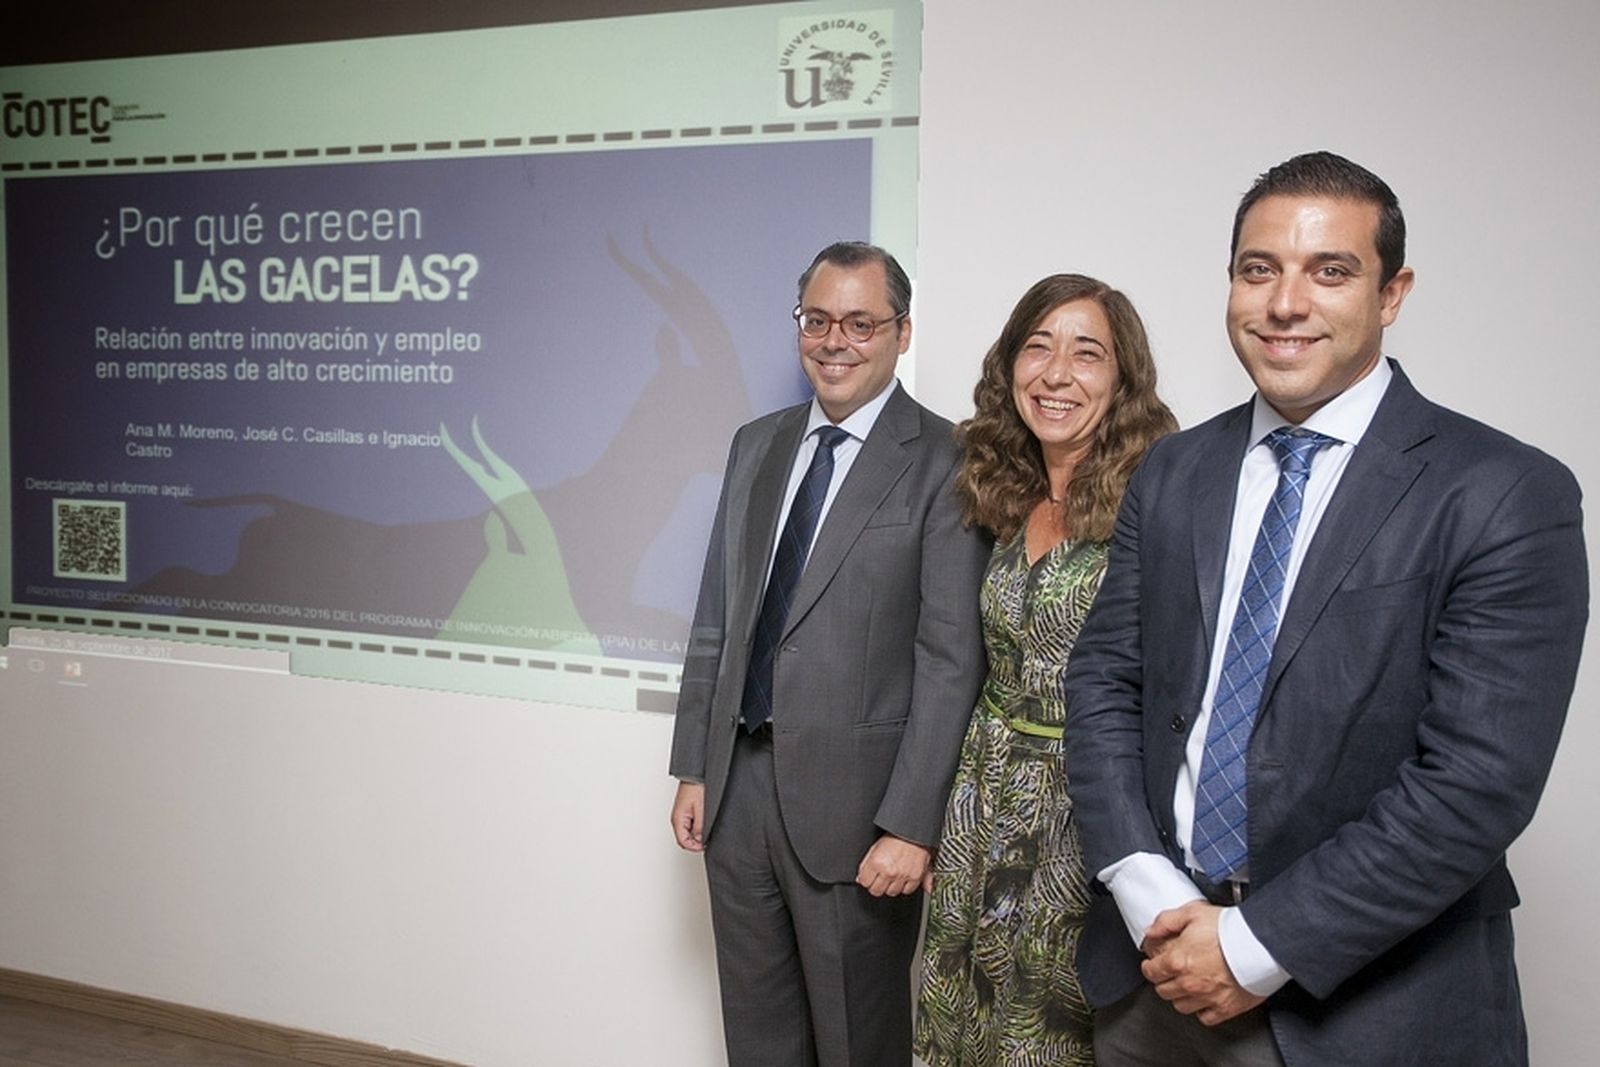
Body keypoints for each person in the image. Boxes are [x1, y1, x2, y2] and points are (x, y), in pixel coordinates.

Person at [1064, 150, 1589, 1066]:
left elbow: (1474, 783)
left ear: (1392, 294)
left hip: (1374, 1006)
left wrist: (1253, 946)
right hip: (1154, 977)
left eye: (1330, 271)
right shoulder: (1175, 469)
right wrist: (1146, 887)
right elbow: (1106, 679)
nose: (1284, 303)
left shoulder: (1506, 492)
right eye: (1258, 269)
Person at [668, 241, 989, 1066]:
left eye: (859, 322)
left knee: (858, 1040)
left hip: (860, 815)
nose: (833, 340)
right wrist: (696, 766)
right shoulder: (757, 444)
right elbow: (719, 612)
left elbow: (952, 660)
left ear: (902, 332)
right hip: (738, 792)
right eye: (817, 320)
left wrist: (911, 825)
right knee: (759, 1034)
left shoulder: (950, 461)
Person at [914, 274, 1176, 1067]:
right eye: (1039, 346)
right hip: (981, 798)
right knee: (953, 1012)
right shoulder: (1004, 489)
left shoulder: (1158, 499)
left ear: (1122, 378)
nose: (1057, 373)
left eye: (1086, 353)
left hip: (1086, 813)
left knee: (1045, 1030)